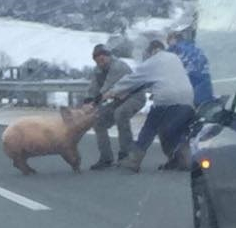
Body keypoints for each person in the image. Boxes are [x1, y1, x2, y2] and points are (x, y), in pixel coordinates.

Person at [103, 40, 196, 173]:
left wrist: (113, 91)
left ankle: (133, 161)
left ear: (152, 51)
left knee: (150, 128)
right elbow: (168, 78)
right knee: (177, 131)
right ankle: (182, 160)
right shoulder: (175, 58)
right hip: (188, 98)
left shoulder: (153, 61)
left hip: (166, 98)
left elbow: (134, 78)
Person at [83, 44, 146, 170]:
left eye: (102, 59)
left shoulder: (118, 66)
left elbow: (107, 88)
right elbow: (93, 87)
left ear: (109, 56)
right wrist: (87, 101)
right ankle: (106, 158)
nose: (100, 62)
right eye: (97, 60)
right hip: (118, 98)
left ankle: (126, 155)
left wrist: (93, 103)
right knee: (98, 121)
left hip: (135, 96)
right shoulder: (98, 70)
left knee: (120, 114)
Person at [166, 30, 215, 107]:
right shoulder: (195, 47)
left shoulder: (175, 50)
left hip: (191, 85)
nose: (168, 44)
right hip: (206, 83)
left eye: (168, 41)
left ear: (173, 39)